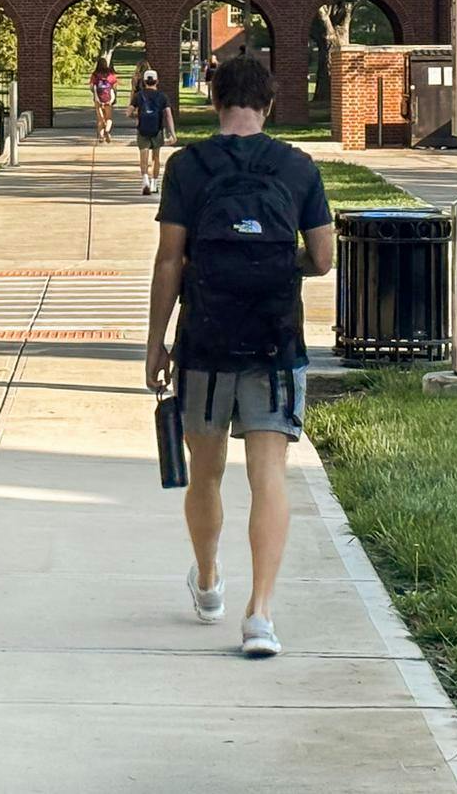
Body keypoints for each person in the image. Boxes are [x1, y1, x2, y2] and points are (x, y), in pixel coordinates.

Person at [146, 55, 333, 658]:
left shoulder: (187, 166)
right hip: (276, 343)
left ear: (216, 101)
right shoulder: (298, 166)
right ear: (270, 104)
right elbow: (324, 258)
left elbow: (170, 259)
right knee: (268, 476)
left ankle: (207, 582)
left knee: (205, 472)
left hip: (206, 340)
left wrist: (157, 342)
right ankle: (261, 616)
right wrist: (277, 263)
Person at [133, 67, 177, 194]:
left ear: (144, 81)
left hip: (143, 130)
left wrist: (137, 116)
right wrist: (172, 133)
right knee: (156, 157)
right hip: (157, 129)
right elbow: (168, 115)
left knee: (143, 155)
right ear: (157, 81)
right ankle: (154, 183)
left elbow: (128, 112)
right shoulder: (162, 97)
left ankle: (145, 180)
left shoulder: (139, 96)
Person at [89, 55, 120, 143]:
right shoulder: (110, 75)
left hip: (98, 99)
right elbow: (114, 86)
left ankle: (101, 136)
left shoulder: (95, 75)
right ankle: (107, 131)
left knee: (100, 119)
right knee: (109, 118)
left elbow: (91, 87)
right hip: (108, 99)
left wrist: (96, 94)